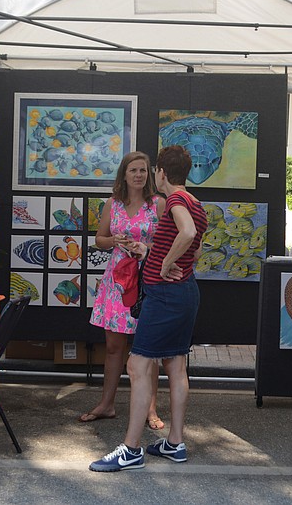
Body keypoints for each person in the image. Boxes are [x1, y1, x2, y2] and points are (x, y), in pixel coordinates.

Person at [90, 145, 208, 472]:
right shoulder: (197, 203)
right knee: (176, 365)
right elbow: (194, 252)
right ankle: (175, 443)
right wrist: (154, 253)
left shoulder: (175, 200)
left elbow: (186, 233)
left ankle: (130, 450)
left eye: (150, 169)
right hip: (185, 292)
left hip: (166, 295)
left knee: (138, 365)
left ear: (160, 172)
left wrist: (164, 263)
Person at [79, 152, 165, 429]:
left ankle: (151, 409)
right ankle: (107, 404)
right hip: (117, 281)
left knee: (147, 348)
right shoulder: (113, 204)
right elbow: (99, 239)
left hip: (148, 280)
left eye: (143, 170)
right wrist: (114, 240)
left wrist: (146, 249)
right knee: (114, 346)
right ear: (124, 175)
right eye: (133, 170)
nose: (139, 175)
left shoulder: (158, 205)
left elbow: (166, 242)